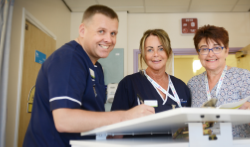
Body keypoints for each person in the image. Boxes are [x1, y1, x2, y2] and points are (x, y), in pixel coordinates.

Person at [23, 5, 154, 147]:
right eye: (101, 31)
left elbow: (91, 116)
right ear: (82, 30)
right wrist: (126, 116)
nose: (109, 39)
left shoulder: (97, 68)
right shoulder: (69, 59)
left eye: (113, 33)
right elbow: (64, 120)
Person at [187, 25, 250, 138]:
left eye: (217, 48)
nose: (210, 54)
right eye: (204, 49)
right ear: (198, 54)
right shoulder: (193, 84)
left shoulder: (244, 77)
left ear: (226, 51)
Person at [111, 29, 191, 113]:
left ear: (169, 52)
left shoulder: (181, 87)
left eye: (161, 49)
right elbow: (115, 121)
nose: (156, 54)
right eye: (150, 50)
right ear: (143, 54)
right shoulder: (128, 84)